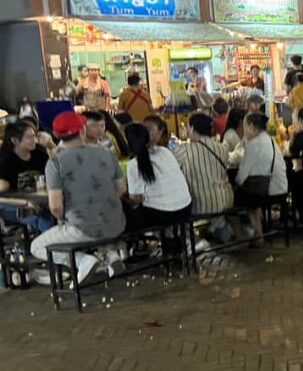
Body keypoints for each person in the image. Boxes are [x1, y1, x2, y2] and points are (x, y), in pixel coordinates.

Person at [30, 112, 126, 282]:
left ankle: (82, 261)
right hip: (116, 223)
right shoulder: (106, 154)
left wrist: (62, 219)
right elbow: (121, 188)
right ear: (82, 130)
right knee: (94, 227)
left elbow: (56, 207)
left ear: (57, 135)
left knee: (36, 246)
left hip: (83, 227)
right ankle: (110, 255)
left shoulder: (55, 163)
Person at [123, 123, 192, 256]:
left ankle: (132, 248)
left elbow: (135, 199)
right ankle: (173, 242)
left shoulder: (133, 165)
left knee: (129, 211)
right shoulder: (165, 151)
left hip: (164, 215)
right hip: (185, 208)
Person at [173, 113, 234, 246]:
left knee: (178, 211)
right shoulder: (221, 148)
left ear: (192, 129)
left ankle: (197, 241)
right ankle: (220, 230)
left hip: (202, 203)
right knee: (217, 214)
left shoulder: (184, 151)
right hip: (227, 198)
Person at [234, 113, 288, 239]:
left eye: (245, 127)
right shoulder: (269, 139)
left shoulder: (254, 144)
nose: (244, 130)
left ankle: (252, 236)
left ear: (251, 127)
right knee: (249, 198)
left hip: (268, 189)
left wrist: (234, 186)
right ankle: (257, 233)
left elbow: (241, 176)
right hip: (280, 186)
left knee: (232, 201)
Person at [0, 120, 54, 232]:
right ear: (15, 140)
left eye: (35, 136)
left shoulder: (39, 155)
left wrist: (50, 145)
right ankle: (45, 247)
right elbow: (2, 196)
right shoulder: (6, 162)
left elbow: (53, 175)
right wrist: (26, 202)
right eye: (29, 137)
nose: (35, 140)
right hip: (14, 205)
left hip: (39, 200)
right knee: (44, 220)